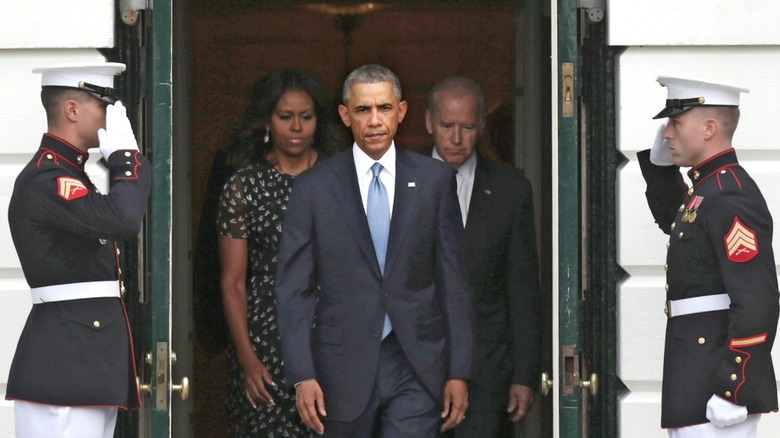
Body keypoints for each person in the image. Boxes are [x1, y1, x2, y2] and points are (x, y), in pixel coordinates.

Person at [274, 64, 476, 437]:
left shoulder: (435, 182)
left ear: (401, 111)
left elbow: (455, 283)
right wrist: (302, 373)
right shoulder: (313, 188)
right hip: (341, 365)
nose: (375, 121)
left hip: (417, 362)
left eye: (384, 108)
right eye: (363, 110)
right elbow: (293, 289)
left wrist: (459, 370)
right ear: (344, 115)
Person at [5, 62, 151, 437]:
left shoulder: (70, 174)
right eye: (103, 104)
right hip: (66, 361)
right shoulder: (47, 179)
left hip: (85, 358)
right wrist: (125, 160)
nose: (109, 116)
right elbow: (122, 220)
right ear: (72, 110)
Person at [637, 75, 779, 438]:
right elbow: (676, 219)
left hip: (717, 383)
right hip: (696, 375)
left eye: (675, 123)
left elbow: (757, 301)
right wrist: (660, 165)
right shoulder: (707, 189)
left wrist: (734, 386)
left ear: (709, 128)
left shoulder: (730, 194)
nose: (667, 133)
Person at [216, 69, 342, 437]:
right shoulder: (244, 186)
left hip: (332, 335)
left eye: (306, 116)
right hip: (265, 341)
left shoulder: (342, 180)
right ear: (268, 121)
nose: (297, 126)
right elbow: (233, 281)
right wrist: (246, 357)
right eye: (285, 117)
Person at [426, 76, 541, 437]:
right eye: (447, 126)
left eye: (467, 127)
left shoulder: (511, 191)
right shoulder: (397, 184)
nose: (456, 138)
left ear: (482, 126)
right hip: (414, 369)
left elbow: (522, 288)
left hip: (487, 370)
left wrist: (524, 374)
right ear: (429, 123)